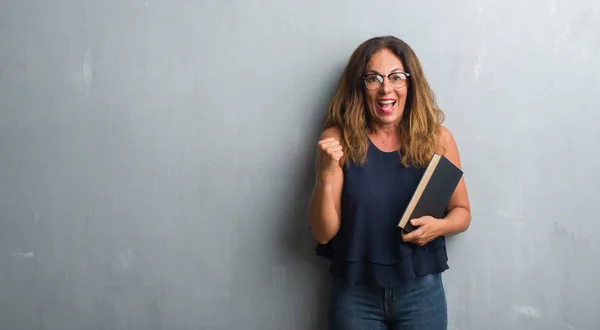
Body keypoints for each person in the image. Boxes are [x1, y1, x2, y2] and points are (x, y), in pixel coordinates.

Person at [307, 35, 471, 330]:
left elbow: (462, 212)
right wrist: (324, 175)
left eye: (396, 77)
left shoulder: (438, 139)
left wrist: (439, 227)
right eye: (374, 78)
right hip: (356, 295)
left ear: (410, 83)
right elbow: (322, 233)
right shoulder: (337, 140)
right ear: (360, 86)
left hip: (421, 292)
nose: (386, 88)